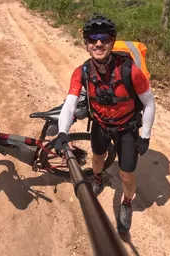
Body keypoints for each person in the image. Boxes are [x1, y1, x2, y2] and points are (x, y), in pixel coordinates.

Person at [54, 14, 156, 234]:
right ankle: (98, 179)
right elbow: (70, 104)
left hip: (127, 129)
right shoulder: (82, 72)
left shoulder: (131, 71)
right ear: (86, 45)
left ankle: (126, 203)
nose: (98, 43)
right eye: (92, 38)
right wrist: (63, 132)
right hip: (100, 126)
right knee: (98, 158)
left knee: (127, 174)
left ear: (112, 41)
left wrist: (145, 136)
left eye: (104, 38)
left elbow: (149, 103)